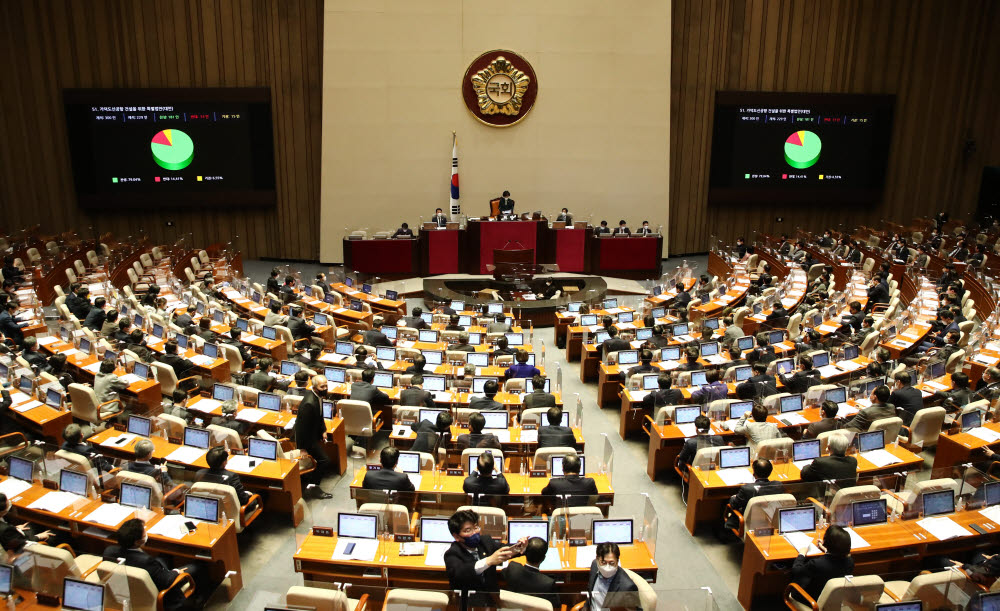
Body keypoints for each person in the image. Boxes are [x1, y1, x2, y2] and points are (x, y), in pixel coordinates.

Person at [104, 518, 201, 610]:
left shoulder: (109, 552)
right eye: (144, 532)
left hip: (126, 591)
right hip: (157, 591)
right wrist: (176, 572)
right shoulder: (146, 561)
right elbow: (166, 580)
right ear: (138, 542)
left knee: (164, 556)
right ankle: (200, 600)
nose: (146, 532)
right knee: (197, 566)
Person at [444, 509, 524, 606]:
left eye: (476, 527)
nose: (475, 532)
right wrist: (488, 561)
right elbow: (460, 573)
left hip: (492, 597)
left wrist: (520, 547)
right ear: (456, 536)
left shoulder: (485, 541)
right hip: (468, 601)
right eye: (468, 530)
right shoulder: (452, 553)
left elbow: (505, 550)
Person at [789, 525, 854, 604]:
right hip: (834, 600)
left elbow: (796, 571)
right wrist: (827, 550)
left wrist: (801, 554)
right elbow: (836, 559)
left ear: (825, 541)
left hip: (811, 601)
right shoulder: (850, 562)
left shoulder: (816, 564)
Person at [294, 375, 333, 498]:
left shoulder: (318, 396)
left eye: (326, 385)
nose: (325, 388)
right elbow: (300, 428)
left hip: (314, 433)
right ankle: (313, 487)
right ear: (315, 387)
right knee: (324, 460)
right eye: (322, 386)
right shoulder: (309, 404)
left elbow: (320, 415)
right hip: (307, 439)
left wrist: (323, 430)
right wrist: (302, 448)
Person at [501, 537, 559, 608]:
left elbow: (503, 573)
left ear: (525, 553)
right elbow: (556, 605)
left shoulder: (513, 568)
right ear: (543, 558)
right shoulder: (548, 583)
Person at [586, 542, 640, 610]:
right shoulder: (594, 566)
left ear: (617, 561)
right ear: (597, 559)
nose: (607, 567)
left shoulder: (627, 588)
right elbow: (589, 594)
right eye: (603, 562)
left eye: (611, 563)